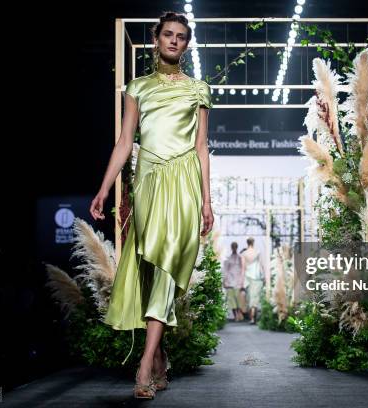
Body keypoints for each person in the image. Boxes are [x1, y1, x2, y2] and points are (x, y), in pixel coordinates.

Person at [89, 11, 214, 399]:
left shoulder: (199, 89)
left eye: (181, 36)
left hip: (185, 181)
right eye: (168, 35)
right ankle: (158, 355)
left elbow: (201, 147)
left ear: (186, 44)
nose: (174, 41)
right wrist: (105, 188)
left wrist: (208, 201)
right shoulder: (137, 87)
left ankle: (144, 365)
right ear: (156, 39)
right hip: (147, 179)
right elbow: (126, 142)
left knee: (172, 258)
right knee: (149, 263)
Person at [241, 237, 266, 324]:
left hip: (248, 277)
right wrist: (265, 276)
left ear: (247, 243)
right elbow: (262, 265)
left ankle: (252, 317)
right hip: (257, 276)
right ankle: (253, 317)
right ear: (253, 243)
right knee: (255, 296)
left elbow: (243, 268)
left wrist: (241, 281)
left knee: (250, 296)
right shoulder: (257, 252)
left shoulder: (244, 254)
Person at [222, 242, 244, 322]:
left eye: (235, 246)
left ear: (237, 247)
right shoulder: (228, 258)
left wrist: (242, 282)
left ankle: (239, 314)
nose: (234, 248)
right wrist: (224, 281)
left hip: (237, 282)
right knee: (231, 300)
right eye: (233, 247)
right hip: (230, 282)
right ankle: (236, 316)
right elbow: (225, 271)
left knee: (237, 299)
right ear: (231, 247)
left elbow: (242, 270)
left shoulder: (240, 258)